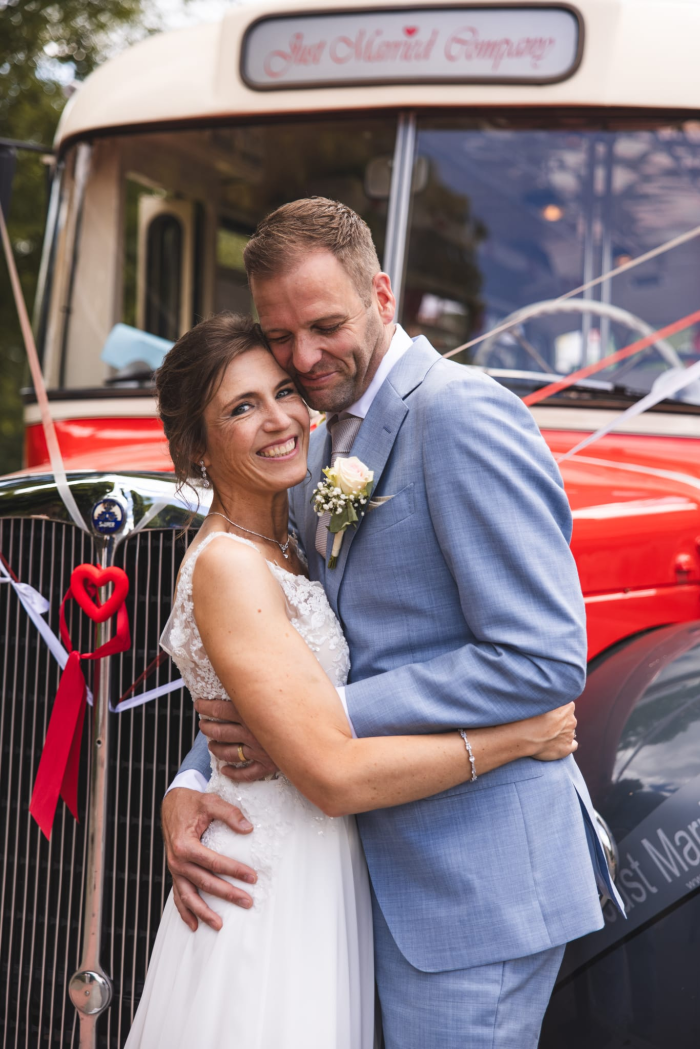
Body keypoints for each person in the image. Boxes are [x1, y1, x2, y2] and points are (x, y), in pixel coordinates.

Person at [161, 198, 625, 1049]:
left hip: (475, 882)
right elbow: (283, 646)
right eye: (281, 336)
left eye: (325, 326)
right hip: (352, 877)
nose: (304, 358)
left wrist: (322, 723)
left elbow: (542, 658)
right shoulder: (307, 444)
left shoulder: (462, 413)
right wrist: (190, 780)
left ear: (381, 293)